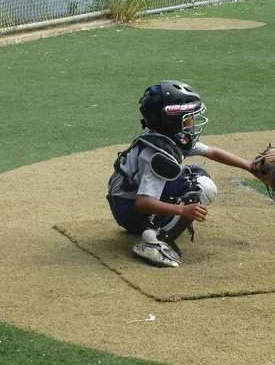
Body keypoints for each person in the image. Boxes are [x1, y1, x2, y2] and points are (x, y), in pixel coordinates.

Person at [106, 80, 265, 268]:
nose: (193, 122)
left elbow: (212, 152)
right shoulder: (159, 155)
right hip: (130, 210)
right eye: (188, 117)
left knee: (197, 171)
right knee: (201, 186)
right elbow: (143, 202)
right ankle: (154, 242)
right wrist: (182, 210)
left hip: (125, 202)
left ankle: (155, 225)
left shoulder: (167, 138)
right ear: (172, 120)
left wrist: (251, 167)